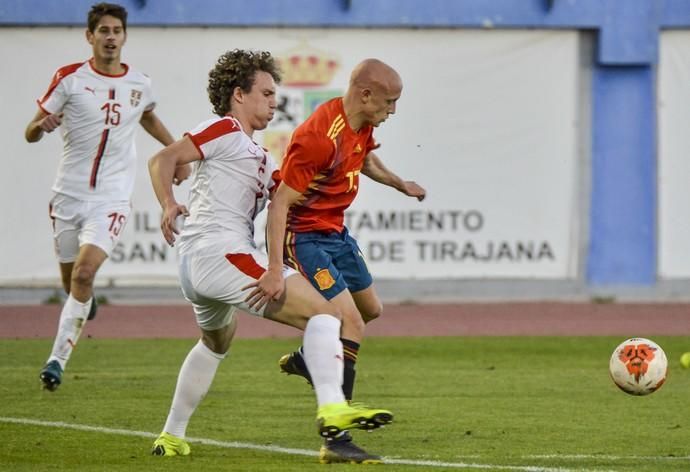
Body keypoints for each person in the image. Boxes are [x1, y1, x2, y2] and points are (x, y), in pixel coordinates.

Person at [147, 49, 392, 464]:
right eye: (266, 92)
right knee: (325, 315)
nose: (273, 101)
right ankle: (333, 408)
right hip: (219, 252)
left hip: (200, 266)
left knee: (215, 343)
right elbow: (162, 158)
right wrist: (169, 203)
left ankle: (171, 435)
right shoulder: (224, 128)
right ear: (239, 95)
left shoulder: (259, 157)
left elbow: (288, 195)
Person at [255, 58, 425, 451]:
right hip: (305, 236)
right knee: (350, 322)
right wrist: (275, 269)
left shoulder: (361, 123)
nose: (393, 110)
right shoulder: (318, 137)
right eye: (390, 101)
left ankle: (310, 358)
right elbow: (280, 205)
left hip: (335, 232)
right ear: (366, 95)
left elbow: (364, 158)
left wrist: (400, 184)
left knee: (370, 310)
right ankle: (336, 436)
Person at [24, 2, 188, 392]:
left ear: (124, 37)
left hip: (111, 197)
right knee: (73, 284)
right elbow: (29, 131)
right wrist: (40, 127)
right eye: (104, 31)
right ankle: (83, 301)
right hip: (67, 196)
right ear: (90, 36)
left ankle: (56, 362)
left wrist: (176, 151)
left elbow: (147, 115)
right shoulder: (69, 79)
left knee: (83, 273)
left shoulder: (140, 83)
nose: (110, 37)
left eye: (117, 30)